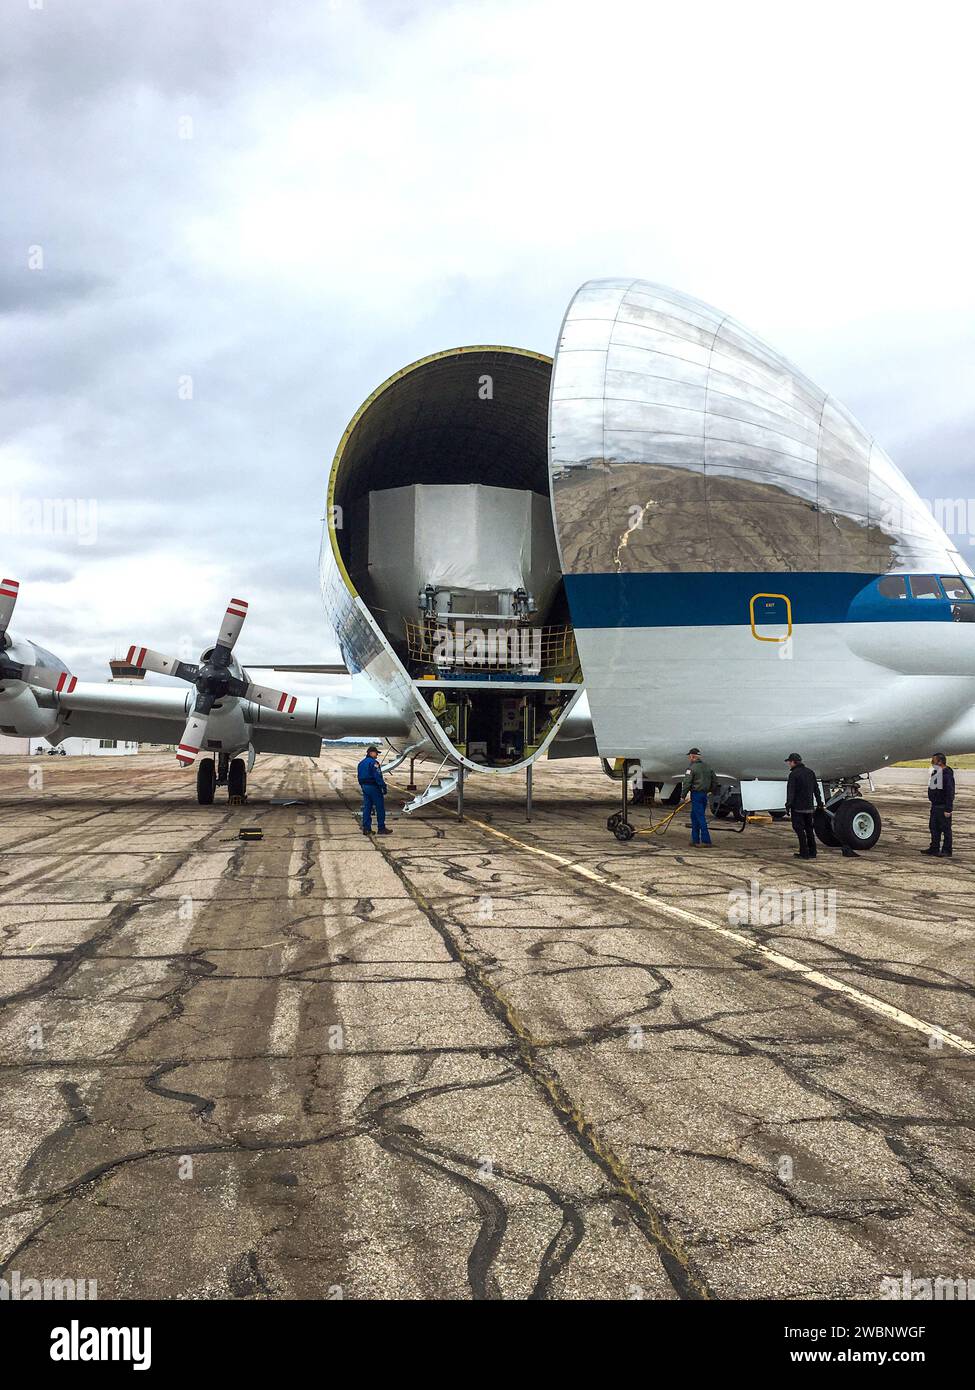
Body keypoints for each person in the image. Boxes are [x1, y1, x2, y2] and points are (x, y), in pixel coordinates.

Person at [785, 753, 824, 860]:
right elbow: (816, 789)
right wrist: (819, 802)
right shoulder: (810, 772)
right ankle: (813, 851)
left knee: (798, 829)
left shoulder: (794, 774)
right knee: (809, 829)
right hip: (809, 806)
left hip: (798, 807)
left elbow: (791, 792)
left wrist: (788, 805)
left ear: (793, 762)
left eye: (789, 762)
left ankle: (804, 852)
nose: (789, 764)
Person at [680, 747, 717, 846]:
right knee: (694, 816)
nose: (689, 758)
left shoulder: (691, 768)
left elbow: (687, 783)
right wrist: (711, 791)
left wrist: (683, 796)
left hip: (696, 794)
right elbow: (715, 781)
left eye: (690, 756)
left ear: (692, 756)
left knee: (700, 817)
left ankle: (706, 841)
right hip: (704, 795)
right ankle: (695, 840)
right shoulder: (708, 767)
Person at [922, 752, 955, 857]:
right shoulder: (936, 773)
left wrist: (948, 809)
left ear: (940, 762)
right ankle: (934, 848)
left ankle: (947, 850)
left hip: (943, 806)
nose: (932, 763)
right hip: (935, 805)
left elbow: (950, 792)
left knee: (945, 829)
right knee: (933, 827)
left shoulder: (947, 775)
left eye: (933, 761)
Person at [357, 745, 391, 835]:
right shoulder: (374, 763)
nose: (377, 755)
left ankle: (366, 828)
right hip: (374, 787)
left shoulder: (361, 763)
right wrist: (383, 786)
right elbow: (377, 776)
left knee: (367, 807)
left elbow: (359, 776)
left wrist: (362, 786)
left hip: (364, 787)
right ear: (371, 753)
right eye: (376, 753)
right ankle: (381, 828)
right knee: (380, 808)